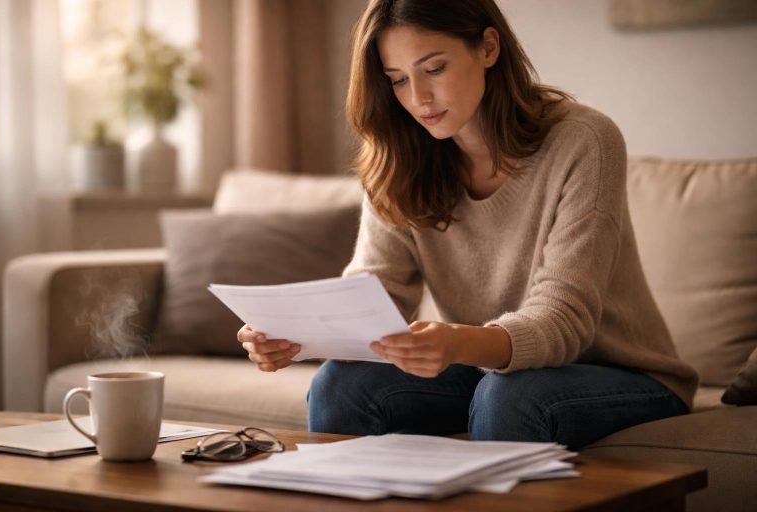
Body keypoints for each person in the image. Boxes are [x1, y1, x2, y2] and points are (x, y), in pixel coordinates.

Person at [237, 0, 698, 449]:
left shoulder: (584, 141)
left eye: (434, 69)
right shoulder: (400, 159)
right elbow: (374, 299)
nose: (418, 99)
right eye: (397, 80)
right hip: (490, 371)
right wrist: (296, 337)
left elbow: (564, 321)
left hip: (623, 375)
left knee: (511, 396)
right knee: (342, 384)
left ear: (489, 48)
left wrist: (459, 343)